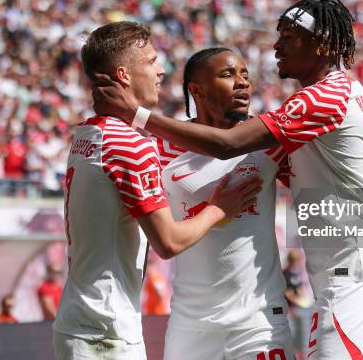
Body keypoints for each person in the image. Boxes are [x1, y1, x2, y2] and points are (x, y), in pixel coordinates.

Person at [93, 0, 363, 360]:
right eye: (227, 75)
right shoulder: (337, 99)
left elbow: (227, 145)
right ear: (196, 90)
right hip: (203, 319)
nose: (275, 46)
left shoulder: (312, 108)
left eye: (288, 36)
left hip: (312, 294)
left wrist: (135, 114)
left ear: (323, 43)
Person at [53, 21, 262, 360]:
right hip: (107, 332)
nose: (161, 70)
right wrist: (219, 207)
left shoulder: (87, 134)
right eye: (150, 61)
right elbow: (169, 242)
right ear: (123, 75)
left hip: (80, 321)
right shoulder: (129, 144)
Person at [156, 48, 293, 360]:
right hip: (190, 326)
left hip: (258, 322)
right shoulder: (161, 147)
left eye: (245, 74)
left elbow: (327, 186)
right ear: (196, 90)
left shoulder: (268, 141)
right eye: (228, 74)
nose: (242, 83)